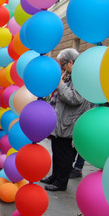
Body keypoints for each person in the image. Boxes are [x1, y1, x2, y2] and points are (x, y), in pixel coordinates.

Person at [40, 48, 91, 191]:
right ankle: (55, 176)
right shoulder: (69, 75)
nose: (61, 68)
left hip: (69, 123)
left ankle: (60, 182)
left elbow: (75, 98)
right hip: (61, 121)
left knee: (65, 155)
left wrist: (61, 85)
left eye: (62, 64)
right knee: (57, 151)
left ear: (71, 62)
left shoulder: (80, 78)